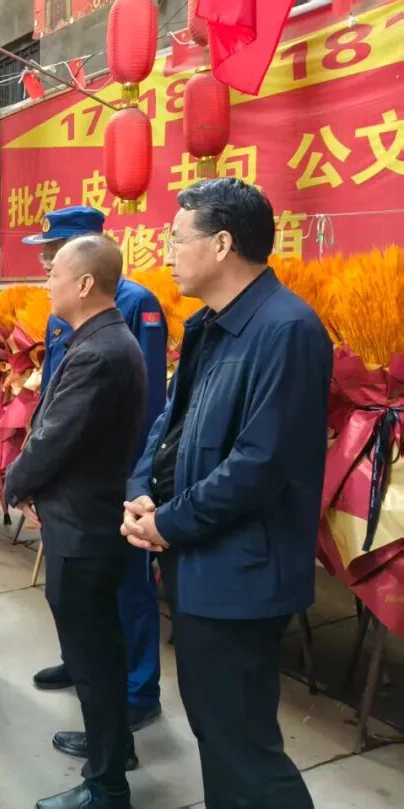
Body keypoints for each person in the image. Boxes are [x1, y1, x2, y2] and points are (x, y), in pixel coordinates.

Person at [123, 178, 329, 808]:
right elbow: (171, 423)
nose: (167, 253)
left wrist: (168, 523)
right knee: (215, 730)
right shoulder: (212, 325)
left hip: (243, 573)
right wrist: (142, 490)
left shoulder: (287, 329)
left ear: (221, 244)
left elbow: (259, 465)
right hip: (200, 562)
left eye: (176, 239)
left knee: (244, 746)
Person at [5, 235, 147, 809]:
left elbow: (53, 439)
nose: (46, 284)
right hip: (85, 518)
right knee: (98, 651)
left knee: (92, 657)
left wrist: (15, 482)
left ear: (85, 284)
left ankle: (107, 786)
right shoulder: (101, 340)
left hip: (84, 528)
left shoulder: (99, 352)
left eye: (54, 274)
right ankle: (112, 745)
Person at [23, 207, 168, 751]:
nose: (45, 263)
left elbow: (145, 404)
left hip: (115, 479)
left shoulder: (133, 304)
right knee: (83, 599)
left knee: (127, 586)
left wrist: (135, 481)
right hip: (72, 483)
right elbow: (54, 393)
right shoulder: (62, 307)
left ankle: (138, 691)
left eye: (53, 252)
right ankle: (82, 662)